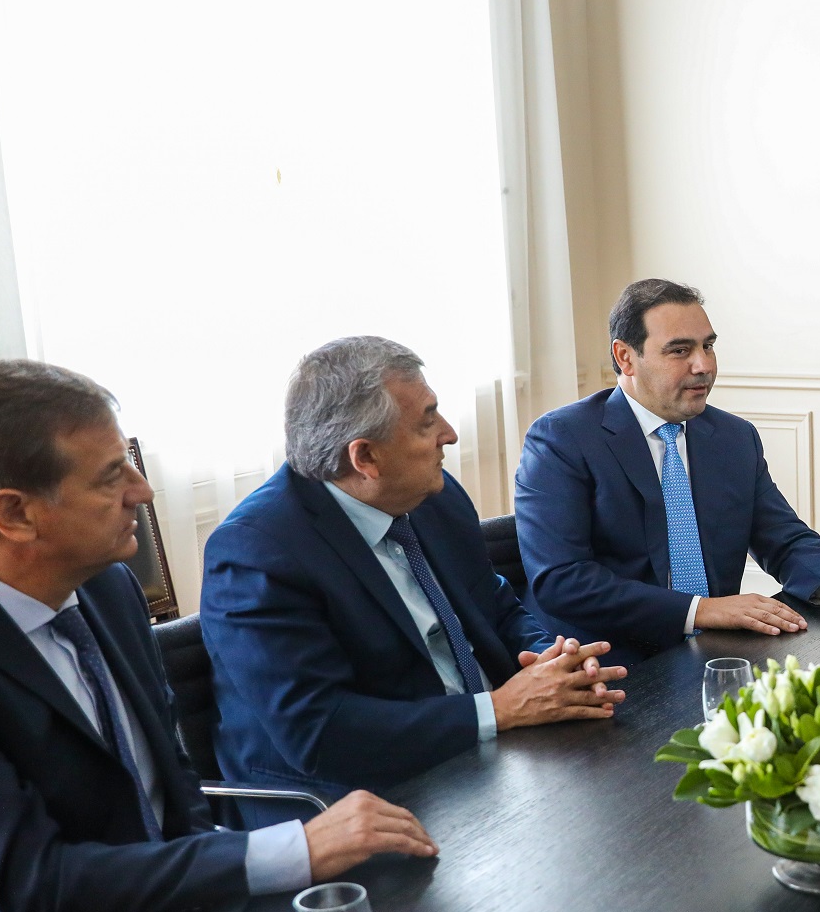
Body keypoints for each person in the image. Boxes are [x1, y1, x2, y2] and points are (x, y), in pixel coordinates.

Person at [0, 360, 437, 912]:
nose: (143, 491)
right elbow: (30, 887)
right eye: (112, 474)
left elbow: (171, 786)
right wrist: (290, 850)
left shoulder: (106, 588)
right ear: (15, 514)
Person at [202, 338, 626, 820]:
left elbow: (496, 604)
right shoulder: (256, 551)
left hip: (485, 758)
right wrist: (499, 709)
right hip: (357, 802)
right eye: (427, 420)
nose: (449, 434)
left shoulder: (434, 498)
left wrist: (551, 660)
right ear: (365, 458)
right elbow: (320, 732)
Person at [514, 278, 820, 655]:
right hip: (608, 664)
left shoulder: (734, 437)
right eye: (679, 351)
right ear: (625, 357)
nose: (704, 365)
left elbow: (783, 538)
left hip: (715, 655)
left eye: (708, 346)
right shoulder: (562, 439)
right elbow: (563, 581)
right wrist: (700, 610)